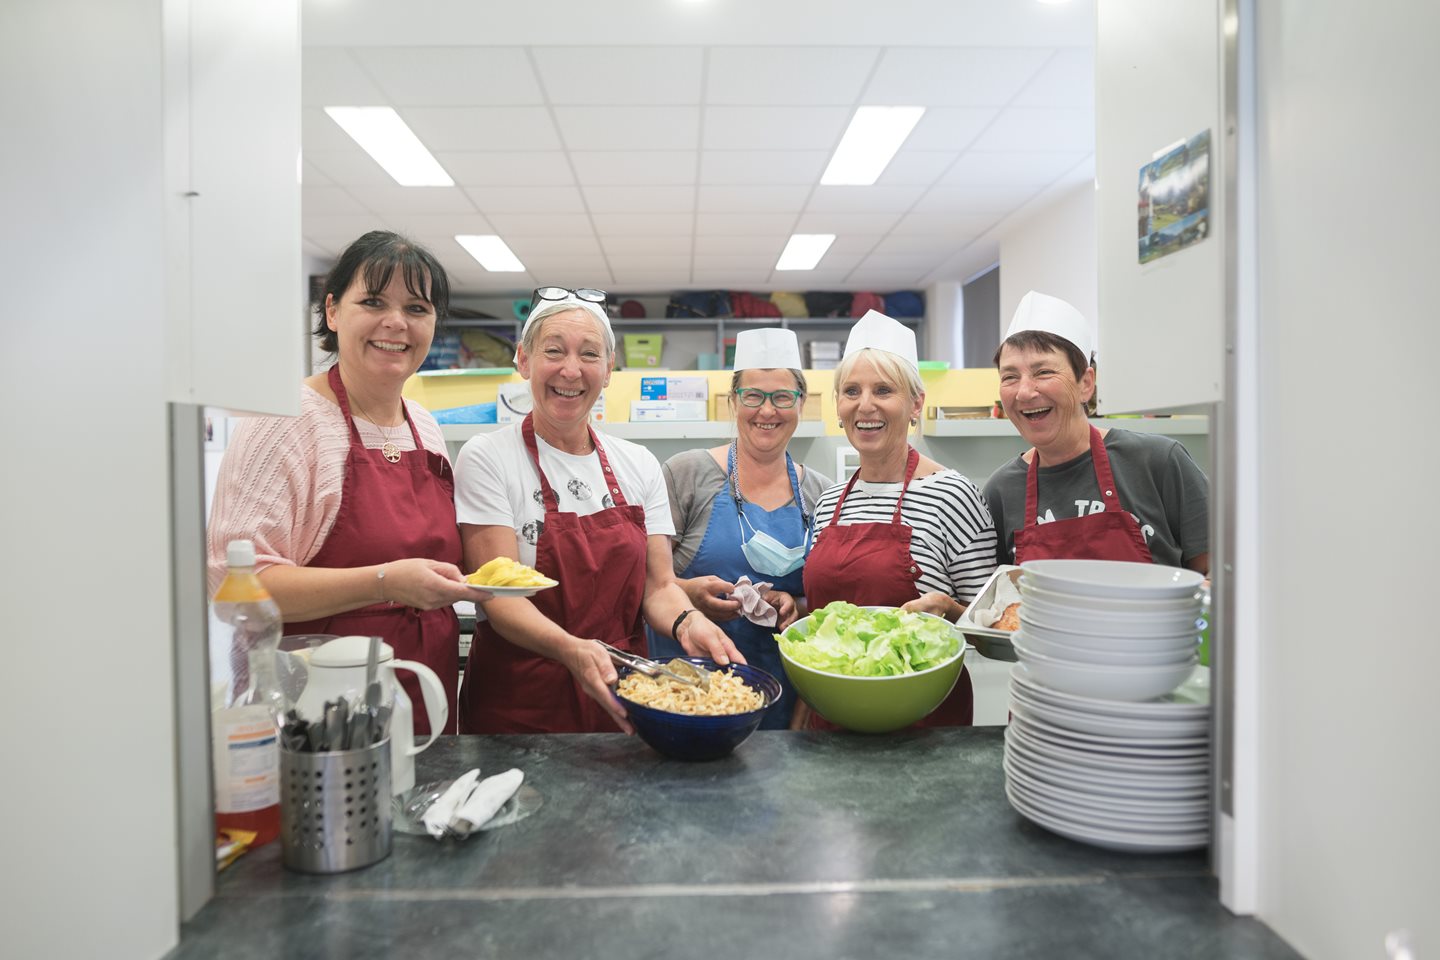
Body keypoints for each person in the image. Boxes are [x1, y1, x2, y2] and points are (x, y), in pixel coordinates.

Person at [206, 231, 477, 733]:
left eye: (417, 308)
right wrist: (385, 582)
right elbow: (233, 585)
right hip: (314, 719)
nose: (396, 322)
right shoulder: (285, 422)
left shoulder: (425, 426)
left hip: (422, 701)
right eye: (373, 301)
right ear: (332, 312)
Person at [453, 287, 743, 734]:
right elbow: (499, 596)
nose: (571, 369)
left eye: (589, 354)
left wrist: (687, 622)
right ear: (524, 360)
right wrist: (572, 648)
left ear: (608, 370)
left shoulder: (638, 463)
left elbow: (658, 585)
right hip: (522, 699)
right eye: (554, 350)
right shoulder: (488, 456)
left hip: (623, 690)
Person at [802, 310, 998, 727]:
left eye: (884, 390)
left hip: (923, 722)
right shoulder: (830, 501)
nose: (865, 405)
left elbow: (991, 627)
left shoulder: (952, 495)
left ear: (916, 403)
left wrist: (947, 606)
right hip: (831, 716)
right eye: (851, 390)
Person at [650, 328, 833, 729]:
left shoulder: (822, 494)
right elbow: (644, 583)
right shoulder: (687, 474)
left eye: (782, 397)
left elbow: (824, 606)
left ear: (800, 403)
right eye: (753, 396)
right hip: (687, 693)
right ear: (733, 401)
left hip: (782, 697)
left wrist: (793, 604)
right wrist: (690, 593)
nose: (767, 411)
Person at [983, 291, 1209, 573]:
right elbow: (999, 600)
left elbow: (1217, 575)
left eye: (1043, 372)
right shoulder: (1001, 491)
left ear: (1085, 384)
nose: (1025, 392)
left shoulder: (1158, 462)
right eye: (1010, 377)